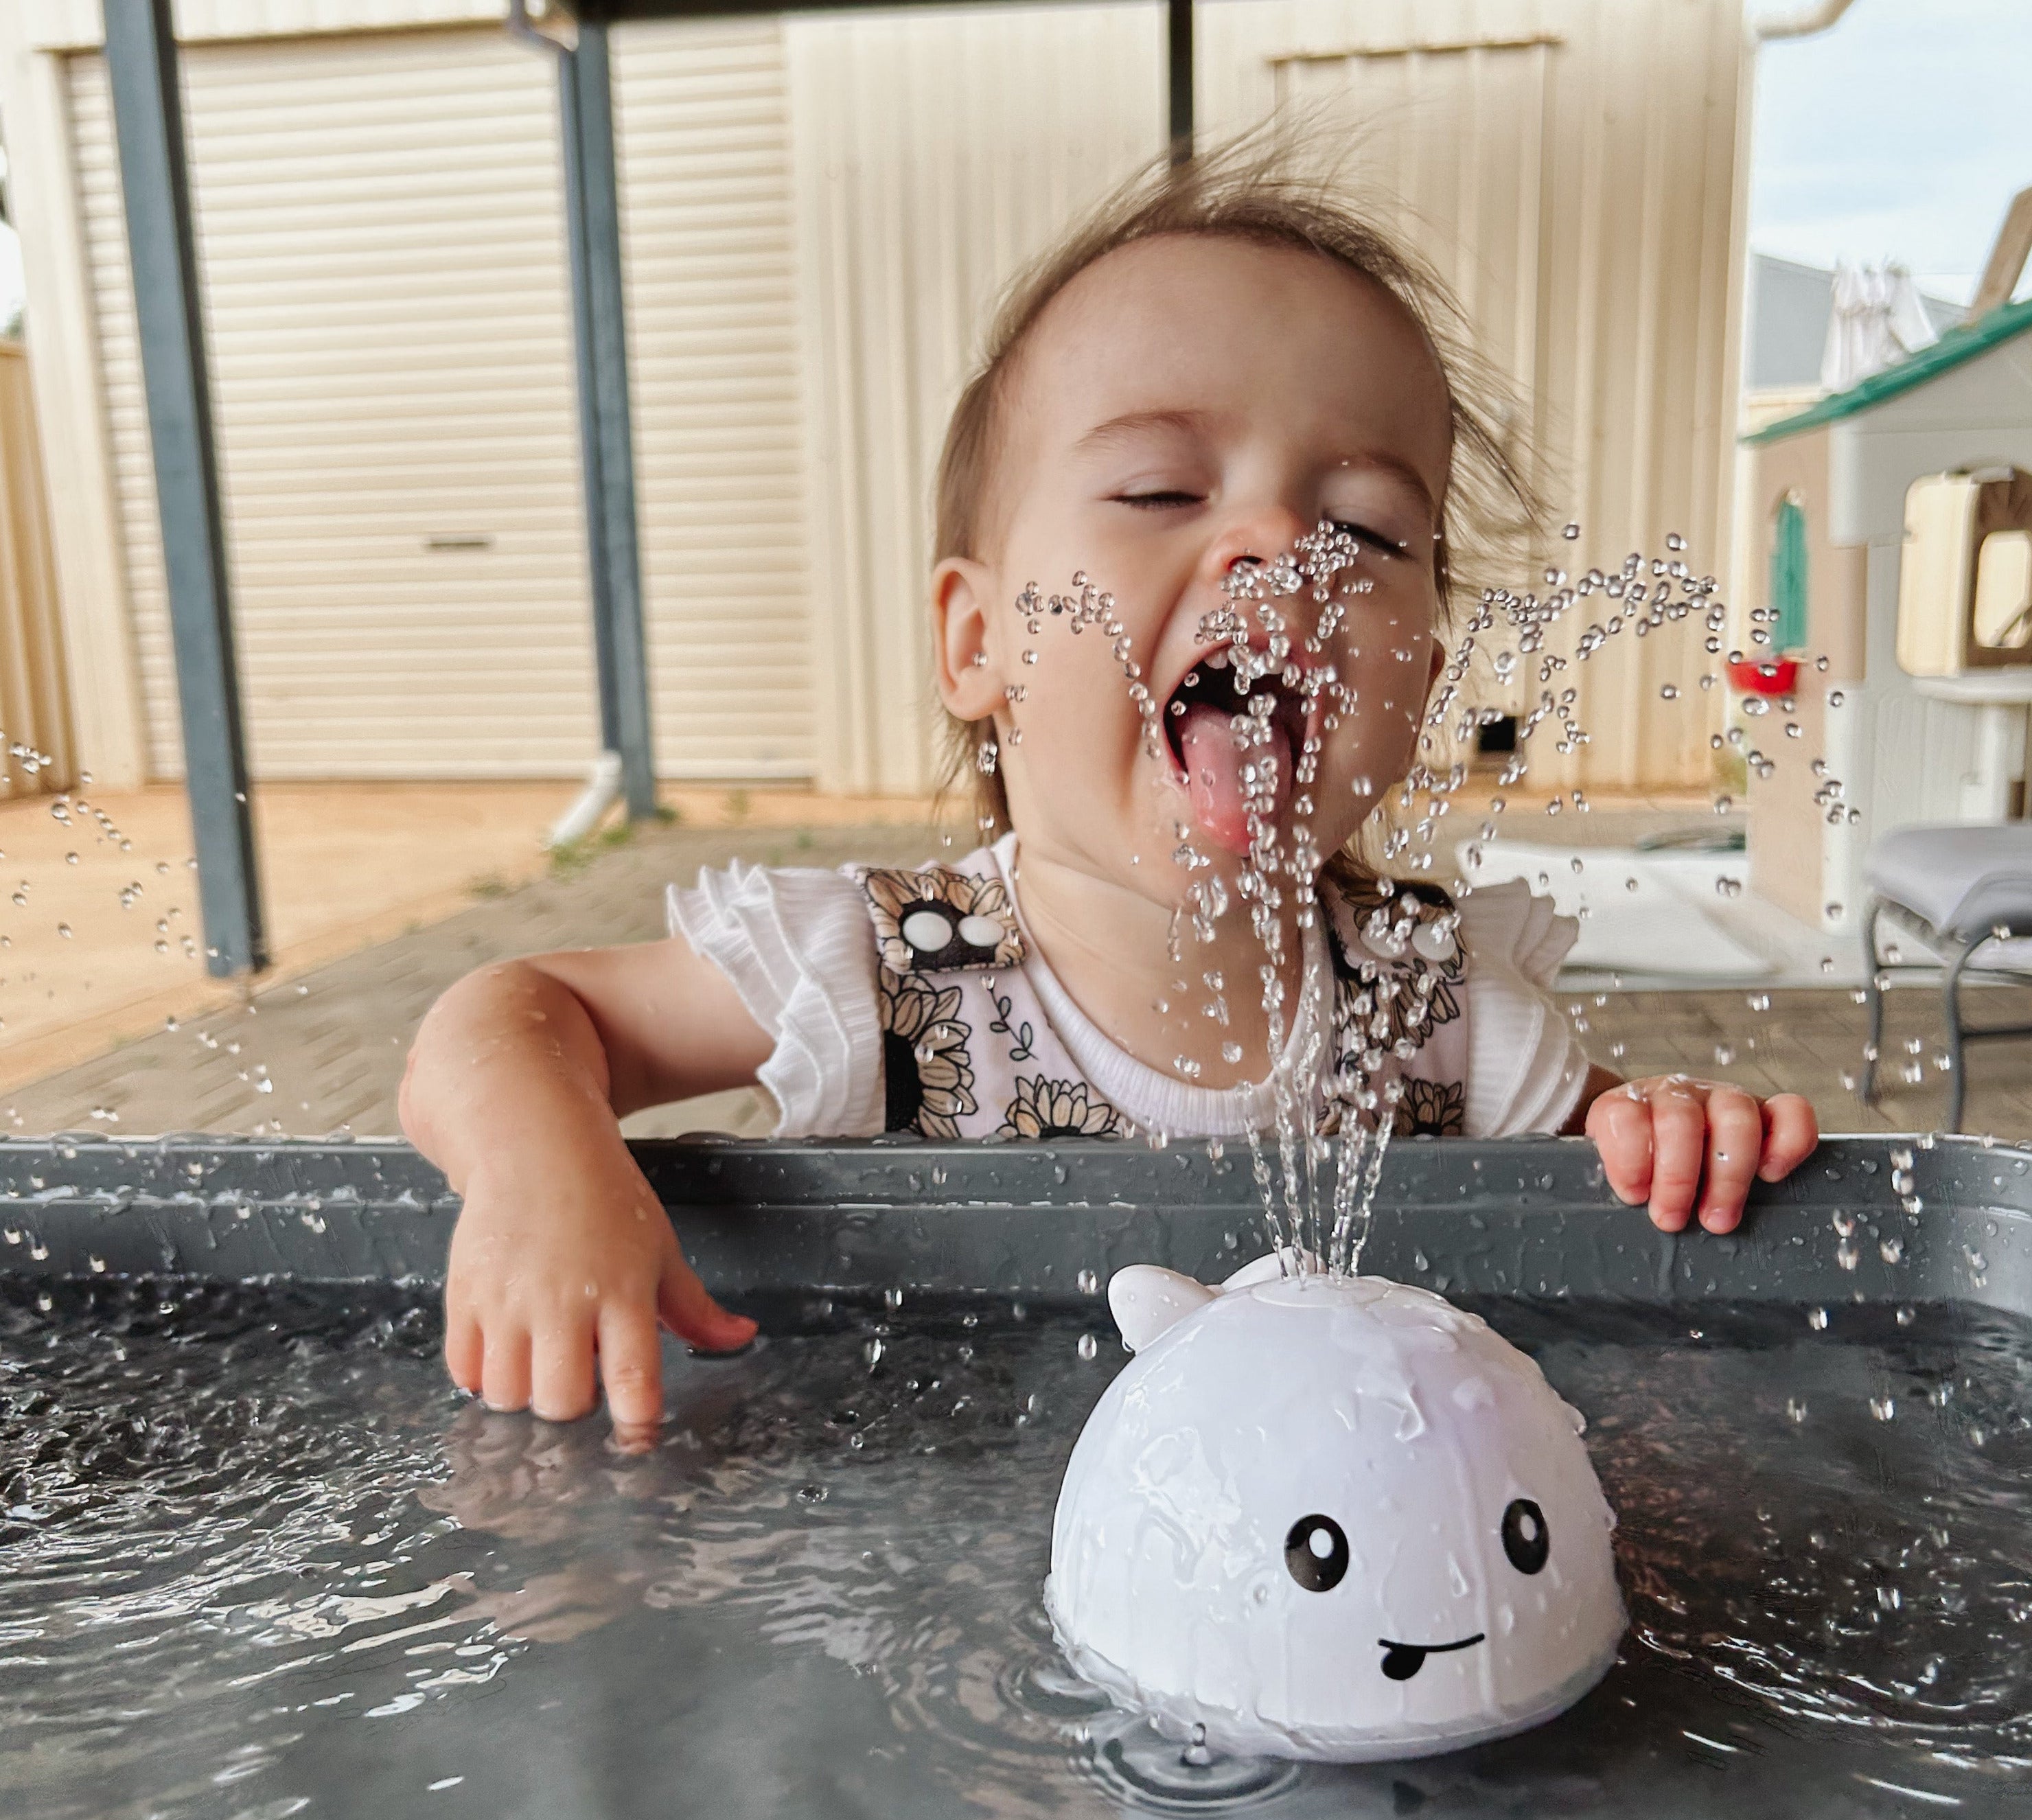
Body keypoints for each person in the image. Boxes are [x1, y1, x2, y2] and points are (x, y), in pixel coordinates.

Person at [400, 138, 1818, 1431]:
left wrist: (1682, 1134)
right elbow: (513, 1016)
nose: (1276, 547)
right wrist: (542, 1171)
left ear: (1422, 687)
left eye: (1367, 527)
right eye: (1158, 492)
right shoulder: (875, 974)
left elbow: (1642, 1214)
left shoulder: (1445, 1016)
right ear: (981, 639)